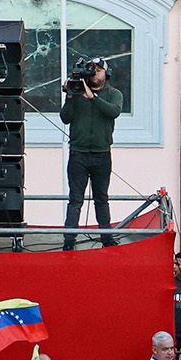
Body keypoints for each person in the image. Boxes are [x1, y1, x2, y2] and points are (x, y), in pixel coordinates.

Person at [60, 60, 124, 245]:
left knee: (101, 198)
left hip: (101, 154)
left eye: (98, 70)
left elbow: (113, 112)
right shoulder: (78, 91)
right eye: (92, 71)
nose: (95, 74)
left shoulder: (114, 94)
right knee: (75, 199)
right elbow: (66, 118)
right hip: (78, 153)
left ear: (106, 73)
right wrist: (71, 96)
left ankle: (107, 238)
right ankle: (69, 240)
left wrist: (93, 97)